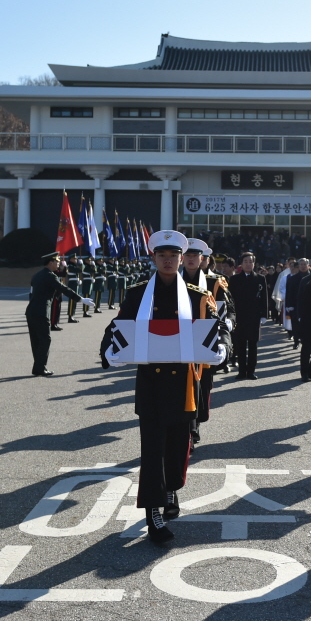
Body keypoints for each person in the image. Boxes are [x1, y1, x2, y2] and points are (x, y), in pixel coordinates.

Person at [99, 230, 229, 544]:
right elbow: (118, 326)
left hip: (184, 383)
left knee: (177, 447)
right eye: (162, 256)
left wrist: (223, 349)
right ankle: (153, 511)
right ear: (154, 258)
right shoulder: (138, 293)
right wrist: (109, 351)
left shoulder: (198, 295)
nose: (169, 261)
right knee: (152, 449)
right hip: (152, 384)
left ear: (182, 258)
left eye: (174, 256)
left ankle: (171, 488)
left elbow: (217, 327)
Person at [182, 239, 235, 442]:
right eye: (188, 256)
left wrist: (228, 323)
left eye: (195, 256)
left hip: (206, 342)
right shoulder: (171, 281)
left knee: (202, 387)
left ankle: (196, 422)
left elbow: (229, 309)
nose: (191, 259)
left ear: (202, 259)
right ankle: (190, 430)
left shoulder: (214, 283)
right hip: (180, 343)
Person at [26, 252, 89, 376]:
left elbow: (32, 293)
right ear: (50, 263)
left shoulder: (36, 275)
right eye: (57, 262)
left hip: (31, 311)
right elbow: (64, 289)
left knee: (36, 341)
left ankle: (38, 367)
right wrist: (80, 299)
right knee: (45, 339)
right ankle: (40, 367)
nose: (59, 263)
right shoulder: (50, 276)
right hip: (41, 311)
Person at [228, 252, 268, 380]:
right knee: (240, 345)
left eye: (250, 261)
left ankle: (251, 371)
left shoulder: (260, 278)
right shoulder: (234, 279)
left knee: (252, 345)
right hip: (239, 317)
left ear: (254, 263)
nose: (248, 264)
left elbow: (264, 298)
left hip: (254, 317)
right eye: (246, 261)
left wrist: (264, 315)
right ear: (241, 263)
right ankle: (241, 371)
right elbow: (230, 299)